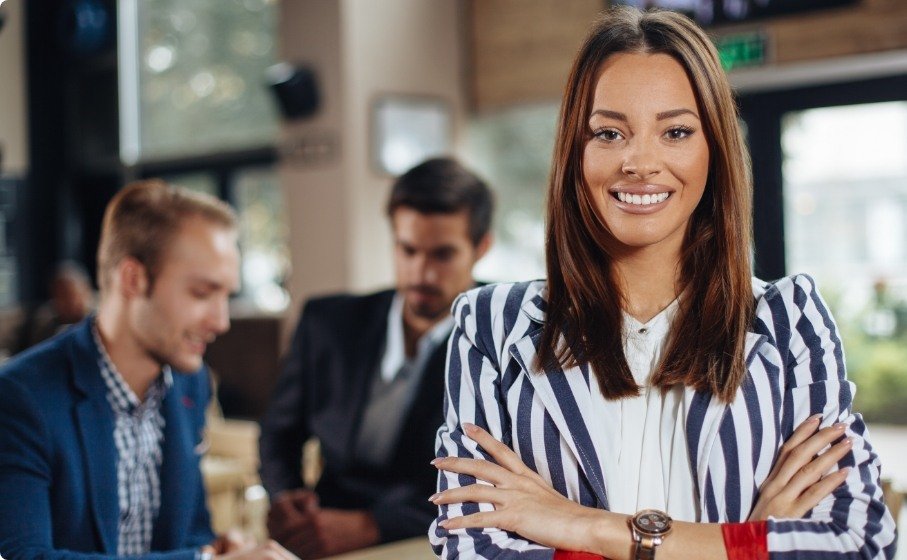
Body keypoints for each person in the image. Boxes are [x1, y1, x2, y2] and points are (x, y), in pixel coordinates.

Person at [428, 8, 897, 560]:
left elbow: (859, 543)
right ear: (575, 154)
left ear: (714, 150)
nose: (639, 161)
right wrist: (745, 543)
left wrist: (581, 526)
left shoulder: (790, 320)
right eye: (608, 133)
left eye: (675, 131)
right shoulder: (490, 327)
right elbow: (472, 550)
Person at [0, 180, 296, 560]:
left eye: (227, 295)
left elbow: (190, 532)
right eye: (202, 293)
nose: (221, 322)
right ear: (133, 279)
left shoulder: (191, 383)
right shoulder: (21, 398)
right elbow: (26, 559)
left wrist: (216, 547)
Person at [259, 157, 494, 559]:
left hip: (430, 539)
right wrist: (289, 498)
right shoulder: (327, 323)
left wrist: (374, 526)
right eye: (408, 250)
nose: (422, 273)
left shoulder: (500, 338)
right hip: (322, 533)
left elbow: (497, 481)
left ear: (481, 248)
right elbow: (280, 432)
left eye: (442, 255)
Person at [21, 260, 96, 349]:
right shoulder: (45, 324)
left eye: (70, 295)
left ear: (86, 292)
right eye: (58, 296)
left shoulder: (100, 322)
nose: (65, 302)